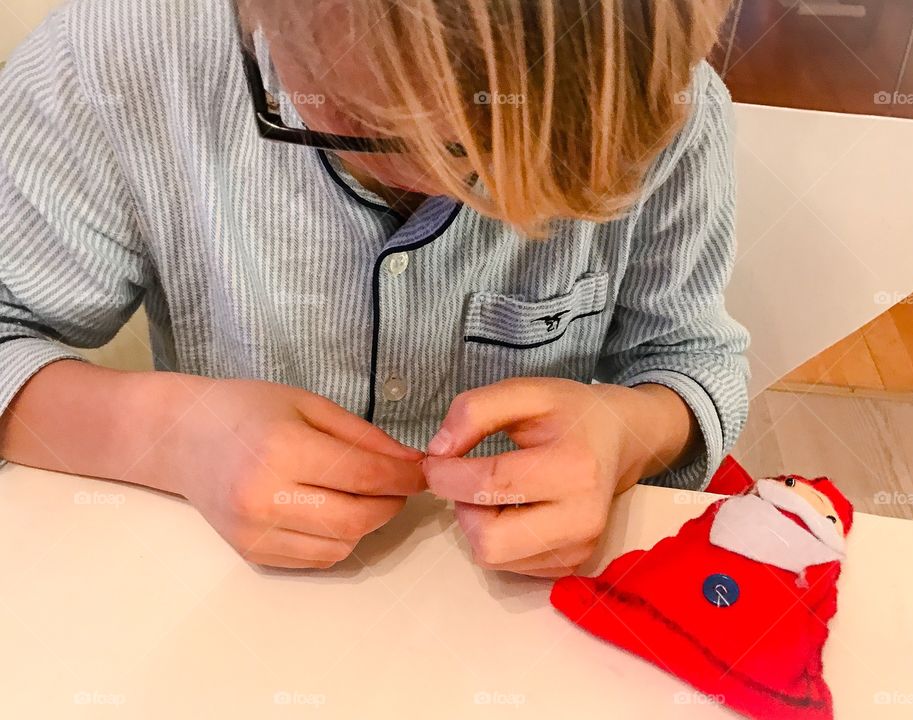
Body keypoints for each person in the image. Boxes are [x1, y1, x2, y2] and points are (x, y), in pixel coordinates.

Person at [0, 0, 749, 576]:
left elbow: (689, 357)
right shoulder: (116, 60)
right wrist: (171, 434)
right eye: (366, 122)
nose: (449, 180)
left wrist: (627, 432)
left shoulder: (669, 108)